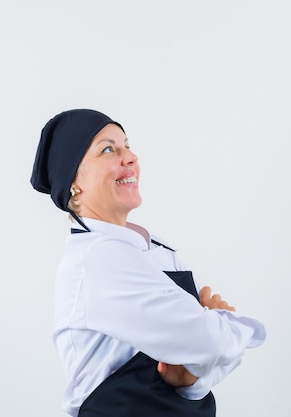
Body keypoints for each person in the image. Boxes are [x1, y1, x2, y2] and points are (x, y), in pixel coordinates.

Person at [30, 109, 266, 417]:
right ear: (74, 182)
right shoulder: (97, 258)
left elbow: (206, 360)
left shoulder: (157, 250)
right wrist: (224, 325)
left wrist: (191, 380)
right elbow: (213, 344)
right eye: (108, 149)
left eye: (127, 145)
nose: (130, 157)